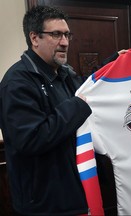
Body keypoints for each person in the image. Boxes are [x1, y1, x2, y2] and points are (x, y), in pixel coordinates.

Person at [0, 6, 94, 215]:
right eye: (56, 34)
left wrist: (115, 64)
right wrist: (76, 107)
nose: (65, 42)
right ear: (34, 38)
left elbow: (89, 90)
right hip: (44, 204)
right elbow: (31, 138)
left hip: (73, 194)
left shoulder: (64, 73)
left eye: (67, 34)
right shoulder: (17, 82)